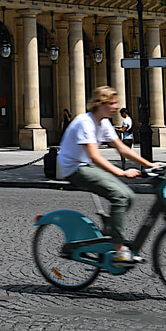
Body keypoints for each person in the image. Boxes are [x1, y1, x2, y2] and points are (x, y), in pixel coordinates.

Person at [58, 85, 153, 264]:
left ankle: (106, 239)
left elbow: (122, 148)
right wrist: (122, 172)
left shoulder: (103, 122)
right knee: (119, 196)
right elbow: (94, 156)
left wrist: (149, 164)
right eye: (112, 103)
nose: (116, 106)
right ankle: (119, 249)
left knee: (128, 196)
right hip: (74, 168)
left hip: (86, 165)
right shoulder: (85, 122)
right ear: (100, 104)